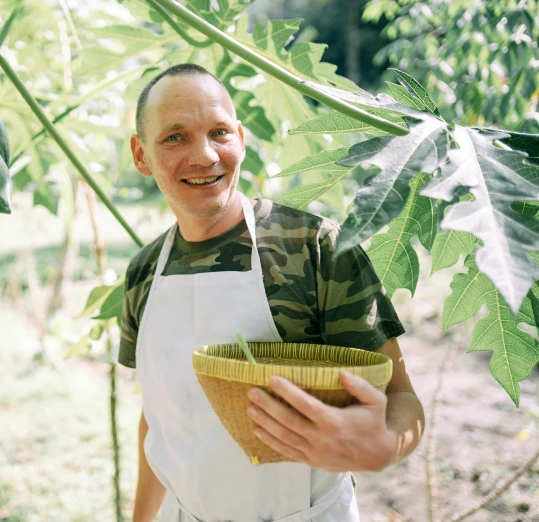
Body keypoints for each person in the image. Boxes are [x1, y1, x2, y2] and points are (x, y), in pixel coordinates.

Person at [118, 63, 425, 522]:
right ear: (141, 155)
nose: (204, 156)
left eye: (219, 132)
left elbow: (402, 397)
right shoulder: (143, 272)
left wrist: (385, 447)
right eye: (175, 137)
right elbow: (159, 419)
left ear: (240, 138)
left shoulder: (316, 249)